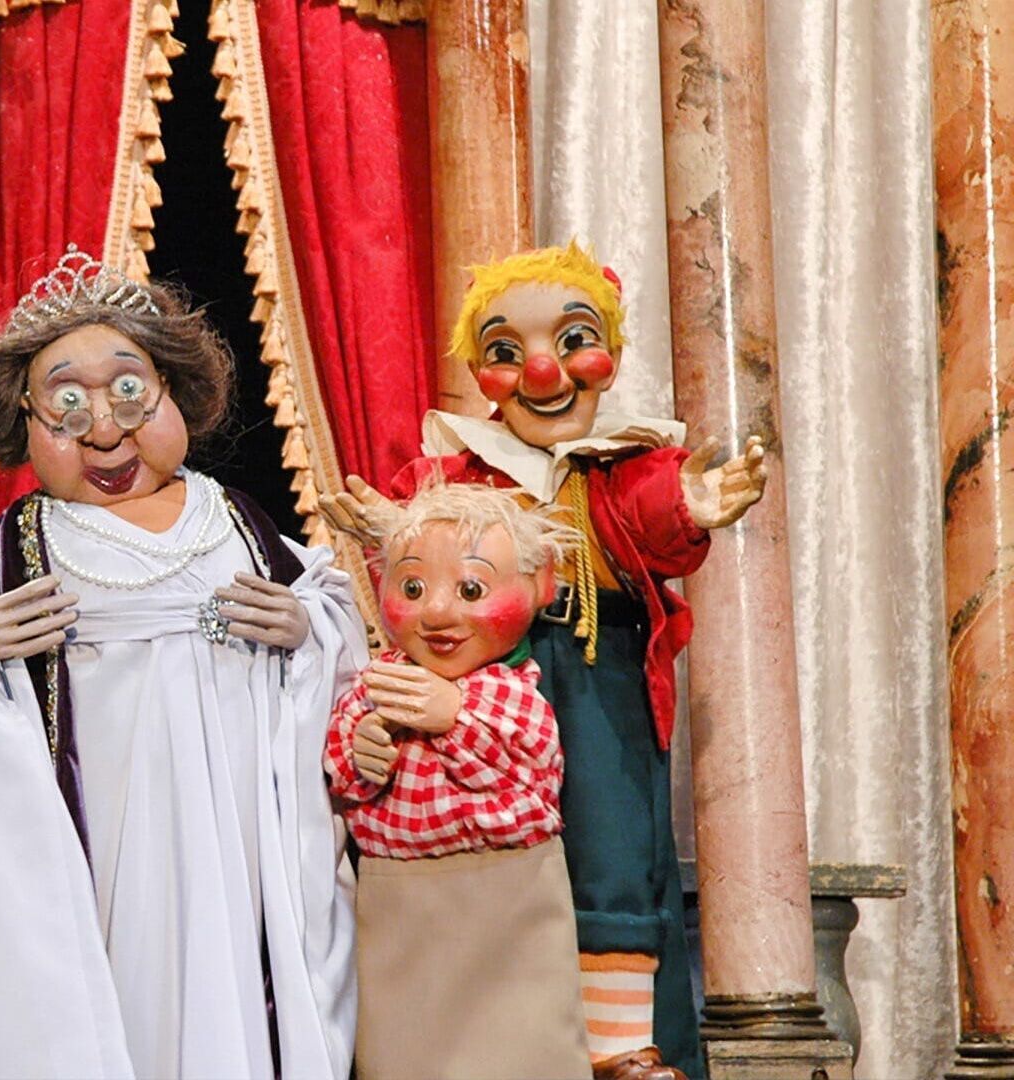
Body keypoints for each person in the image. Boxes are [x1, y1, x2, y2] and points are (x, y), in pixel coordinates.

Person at [0, 247, 365, 1079]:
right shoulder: (18, 546)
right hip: (99, 841)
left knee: (231, 988)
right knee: (122, 994)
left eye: (127, 392)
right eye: (67, 405)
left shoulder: (235, 520)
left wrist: (307, 629)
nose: (105, 431)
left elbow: (331, 625)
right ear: (24, 419)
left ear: (171, 390)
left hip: (234, 837)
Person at [325, 242, 767, 1080]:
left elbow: (653, 509)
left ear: (611, 355)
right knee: (494, 872)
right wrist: (401, 536)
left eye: (573, 341)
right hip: (482, 682)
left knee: (611, 859)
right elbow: (421, 554)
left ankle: (618, 1046)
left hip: (597, 681)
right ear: (478, 372)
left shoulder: (625, 466)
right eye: (506, 351)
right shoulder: (455, 471)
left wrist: (689, 505)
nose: (541, 370)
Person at [324, 480, 591, 1079]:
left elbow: (521, 770)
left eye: (471, 589)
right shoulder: (379, 681)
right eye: (412, 588)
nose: (439, 612)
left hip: (508, 905)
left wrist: (454, 716)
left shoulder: (513, 693)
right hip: (400, 908)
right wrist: (362, 752)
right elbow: (339, 769)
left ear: (540, 584)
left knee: (524, 1053)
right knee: (404, 1054)